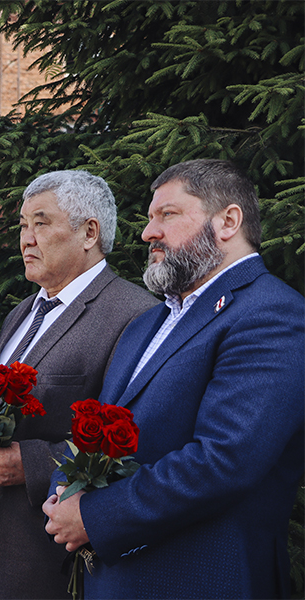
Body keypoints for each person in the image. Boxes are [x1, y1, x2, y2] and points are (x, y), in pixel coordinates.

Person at [43, 159, 305, 599]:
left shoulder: (272, 314)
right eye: (150, 218)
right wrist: (64, 492)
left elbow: (224, 460)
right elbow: (100, 427)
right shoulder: (147, 324)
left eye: (167, 214)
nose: (149, 232)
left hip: (199, 583)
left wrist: (95, 517)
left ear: (228, 221)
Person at [0, 171, 158, 598]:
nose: (26, 239)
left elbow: (136, 436)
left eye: (41, 223)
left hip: (54, 566)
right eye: (22, 225)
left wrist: (30, 464)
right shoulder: (23, 312)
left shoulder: (135, 314)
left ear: (89, 233)